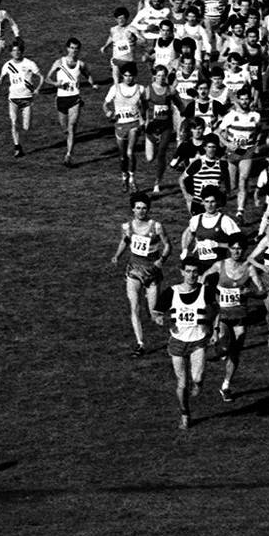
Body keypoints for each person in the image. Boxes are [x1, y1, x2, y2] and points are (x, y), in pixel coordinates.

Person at [151, 257, 217, 429]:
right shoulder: (171, 292)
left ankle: (199, 384)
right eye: (188, 271)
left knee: (198, 376)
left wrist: (215, 330)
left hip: (198, 341)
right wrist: (159, 318)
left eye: (195, 272)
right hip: (178, 342)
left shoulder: (206, 291)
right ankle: (185, 415)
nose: (191, 275)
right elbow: (156, 311)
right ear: (182, 272)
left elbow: (217, 311)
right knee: (182, 384)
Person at [111, 192, 169, 357]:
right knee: (134, 308)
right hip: (134, 271)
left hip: (152, 272)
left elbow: (168, 245)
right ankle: (140, 344)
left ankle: (179, 331)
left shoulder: (156, 226)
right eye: (138, 208)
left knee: (154, 314)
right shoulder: (127, 227)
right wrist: (117, 255)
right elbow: (125, 241)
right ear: (132, 209)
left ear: (148, 209)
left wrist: (162, 260)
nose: (141, 211)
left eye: (144, 208)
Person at [210, 234, 257, 402]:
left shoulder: (249, 268)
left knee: (234, 354)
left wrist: (250, 292)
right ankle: (218, 345)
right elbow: (202, 280)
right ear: (229, 249)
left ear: (244, 250)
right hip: (222, 316)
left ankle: (226, 385)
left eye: (240, 248)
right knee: (223, 346)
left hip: (240, 317)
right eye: (234, 248)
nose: (237, 251)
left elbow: (262, 292)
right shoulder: (219, 265)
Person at [43, 36, 97, 166]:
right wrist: (56, 84)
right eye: (72, 48)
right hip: (61, 98)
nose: (73, 51)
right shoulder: (59, 62)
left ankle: (68, 155)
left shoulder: (81, 64)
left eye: (76, 49)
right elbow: (46, 78)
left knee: (72, 126)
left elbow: (87, 74)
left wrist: (92, 84)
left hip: (75, 98)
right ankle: (68, 137)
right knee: (65, 128)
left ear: (79, 50)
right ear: (67, 49)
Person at [0, 39, 42, 157]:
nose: (16, 52)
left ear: (22, 51)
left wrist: (38, 88)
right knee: (14, 122)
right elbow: (2, 78)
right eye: (14, 50)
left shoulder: (29, 63)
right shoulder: (7, 65)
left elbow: (41, 76)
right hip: (13, 98)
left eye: (18, 50)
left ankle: (20, 140)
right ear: (11, 52)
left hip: (27, 99)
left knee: (26, 127)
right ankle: (17, 147)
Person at [104, 64, 146, 191]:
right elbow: (105, 104)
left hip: (134, 124)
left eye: (130, 75)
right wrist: (108, 112)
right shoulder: (115, 88)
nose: (128, 78)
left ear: (135, 76)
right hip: (120, 125)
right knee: (122, 157)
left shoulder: (140, 89)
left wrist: (142, 115)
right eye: (125, 75)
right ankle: (124, 177)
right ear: (122, 75)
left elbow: (145, 106)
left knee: (130, 152)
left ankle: (132, 179)